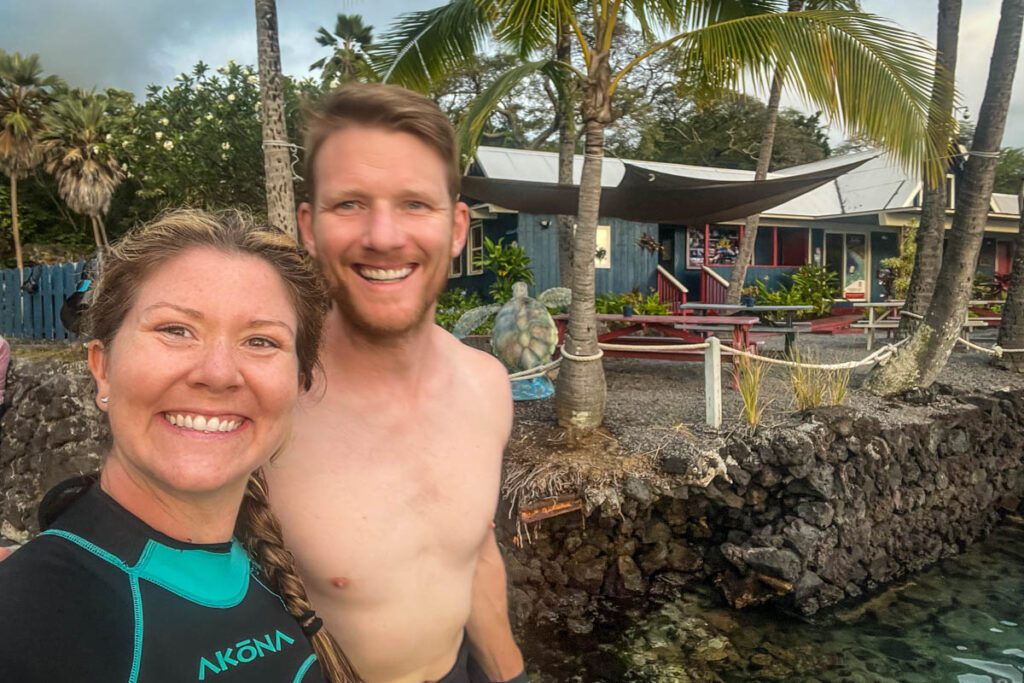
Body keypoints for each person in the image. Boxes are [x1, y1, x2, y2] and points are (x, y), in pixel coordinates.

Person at [0, 209, 359, 682]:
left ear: (298, 382)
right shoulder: (24, 616)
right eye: (175, 330)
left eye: (260, 341)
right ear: (102, 367)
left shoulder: (270, 564)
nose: (217, 373)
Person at [263, 84, 526, 683]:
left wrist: (513, 677)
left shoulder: (487, 385)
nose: (383, 236)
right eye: (350, 204)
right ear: (309, 226)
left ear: (457, 228)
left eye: (414, 204)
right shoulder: (266, 399)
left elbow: (475, 555)